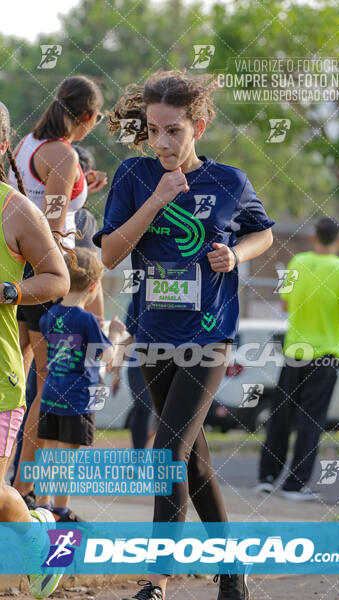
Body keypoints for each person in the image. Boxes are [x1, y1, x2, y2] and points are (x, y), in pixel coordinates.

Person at [93, 70, 274, 600]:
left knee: (166, 451)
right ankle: (231, 569)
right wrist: (157, 197)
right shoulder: (133, 175)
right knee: (190, 458)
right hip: (153, 333)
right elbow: (108, 254)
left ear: (200, 124)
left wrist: (234, 254)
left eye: (173, 130)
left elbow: (261, 232)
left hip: (208, 335)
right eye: (154, 130)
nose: (163, 142)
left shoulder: (229, 182)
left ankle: (156, 581)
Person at [9, 76, 104, 505]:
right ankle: (23, 491)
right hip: (46, 274)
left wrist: (82, 186)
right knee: (46, 389)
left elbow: (38, 195)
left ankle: (14, 486)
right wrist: (71, 261)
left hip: (18, 267)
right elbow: (52, 219)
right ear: (86, 118)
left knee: (18, 385)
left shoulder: (29, 143)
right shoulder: (64, 155)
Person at [0, 100, 70, 597]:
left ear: (2, 145)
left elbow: (58, 277)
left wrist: (11, 292)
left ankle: (41, 532)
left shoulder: (15, 209)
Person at [257, 217, 339, 500]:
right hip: (325, 355)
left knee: (281, 416)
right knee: (310, 420)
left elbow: (285, 303)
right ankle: (295, 485)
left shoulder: (298, 263)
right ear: (338, 240)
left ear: (314, 238)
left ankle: (267, 477)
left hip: (294, 352)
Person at [35, 248, 125, 522]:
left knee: (48, 455)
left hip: (51, 394)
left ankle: (41, 509)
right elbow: (107, 358)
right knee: (66, 461)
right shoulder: (87, 320)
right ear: (94, 286)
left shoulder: (50, 315)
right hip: (76, 400)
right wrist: (114, 334)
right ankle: (61, 512)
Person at [112, 300, 157, 449]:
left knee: (164, 412)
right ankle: (138, 458)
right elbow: (127, 337)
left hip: (168, 360)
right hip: (138, 364)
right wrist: (116, 373)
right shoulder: (137, 303)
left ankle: (147, 450)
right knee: (144, 407)